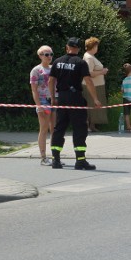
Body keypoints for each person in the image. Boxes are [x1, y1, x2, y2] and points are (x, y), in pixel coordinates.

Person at [48, 37, 101, 170]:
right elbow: (88, 81)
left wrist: (53, 98)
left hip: (62, 98)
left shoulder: (57, 61)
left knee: (59, 128)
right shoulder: (80, 62)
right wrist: (95, 99)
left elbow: (50, 81)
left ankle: (55, 160)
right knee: (80, 129)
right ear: (78, 49)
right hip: (75, 98)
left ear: (67, 47)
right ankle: (80, 161)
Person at [30, 45, 55, 165]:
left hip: (54, 100)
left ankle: (56, 156)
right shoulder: (36, 70)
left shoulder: (53, 68)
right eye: (46, 54)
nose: (49, 57)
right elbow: (34, 90)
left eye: (51, 54)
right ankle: (43, 157)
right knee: (44, 128)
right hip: (42, 100)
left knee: (54, 129)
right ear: (40, 56)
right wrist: (38, 105)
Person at [82, 37, 109, 131]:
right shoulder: (89, 57)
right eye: (97, 46)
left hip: (97, 85)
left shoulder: (90, 56)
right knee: (92, 105)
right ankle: (88, 126)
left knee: (94, 106)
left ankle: (92, 125)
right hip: (93, 86)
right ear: (93, 46)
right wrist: (102, 72)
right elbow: (89, 73)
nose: (97, 48)